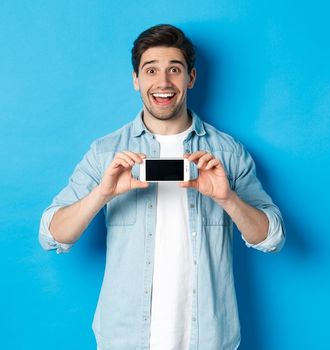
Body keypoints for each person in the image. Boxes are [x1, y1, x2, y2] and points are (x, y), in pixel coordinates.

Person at [38, 24, 285, 349]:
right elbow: (53, 235)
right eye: (151, 70)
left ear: (191, 78)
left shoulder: (228, 152)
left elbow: (272, 238)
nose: (163, 82)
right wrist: (103, 193)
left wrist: (228, 199)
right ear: (136, 79)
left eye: (175, 70)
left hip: (208, 338)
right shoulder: (105, 152)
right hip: (125, 338)